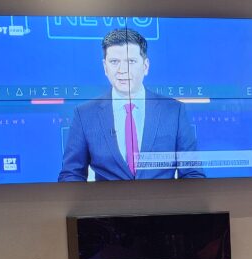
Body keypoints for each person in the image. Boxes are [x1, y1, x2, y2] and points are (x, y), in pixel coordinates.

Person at [58, 29, 205, 181]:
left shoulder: (174, 111)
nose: (122, 70)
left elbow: (192, 174)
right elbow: (71, 175)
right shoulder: (84, 114)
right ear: (105, 67)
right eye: (114, 62)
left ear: (145, 66)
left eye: (131, 62)